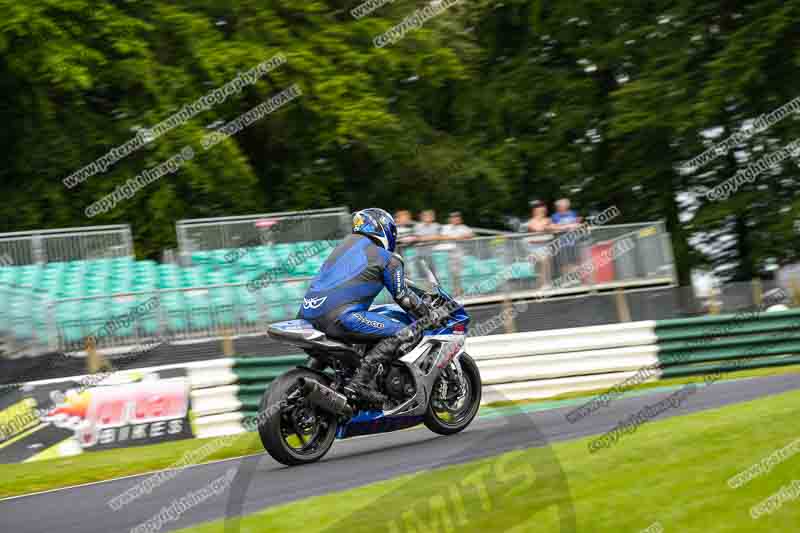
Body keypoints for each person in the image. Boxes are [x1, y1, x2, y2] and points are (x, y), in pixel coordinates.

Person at [297, 208, 446, 407]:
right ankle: (359, 384)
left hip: (307, 316)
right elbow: (404, 298)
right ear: (383, 229)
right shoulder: (387, 258)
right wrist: (429, 314)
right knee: (403, 332)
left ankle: (321, 383)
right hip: (341, 317)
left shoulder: (341, 249)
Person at [439, 211, 474, 296]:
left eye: (457, 217)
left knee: (461, 274)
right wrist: (455, 237)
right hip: (447, 254)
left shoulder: (464, 227)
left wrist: (459, 237)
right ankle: (454, 293)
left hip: (461, 254)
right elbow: (441, 236)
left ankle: (462, 292)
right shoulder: (446, 227)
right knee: (451, 274)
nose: (455, 219)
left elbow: (471, 234)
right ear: (450, 219)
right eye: (453, 218)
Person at [525, 200, 553, 288]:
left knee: (546, 263)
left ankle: (545, 284)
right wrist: (546, 227)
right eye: (539, 210)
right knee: (539, 266)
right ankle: (541, 284)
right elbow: (537, 229)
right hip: (533, 248)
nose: (542, 212)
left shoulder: (547, 220)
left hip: (544, 246)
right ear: (534, 211)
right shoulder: (530, 222)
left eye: (543, 211)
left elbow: (555, 227)